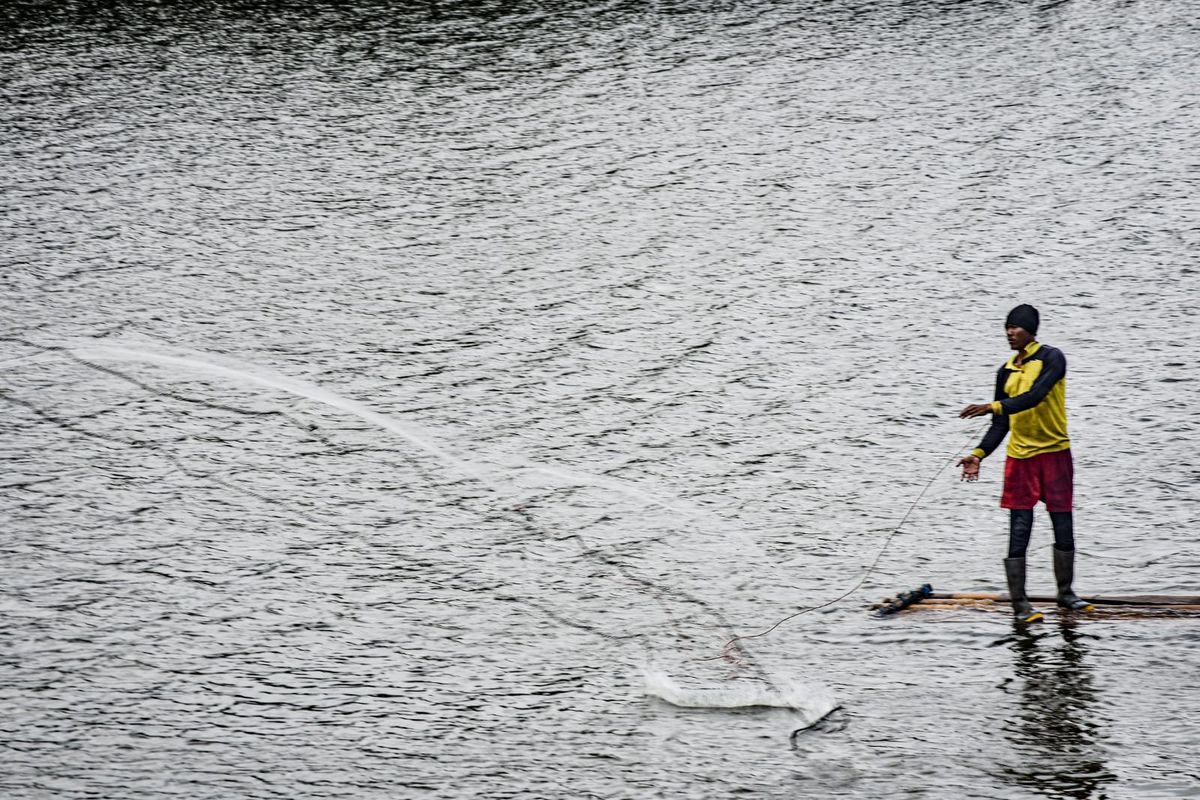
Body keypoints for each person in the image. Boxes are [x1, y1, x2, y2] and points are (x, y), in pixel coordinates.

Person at [957, 304, 1092, 622]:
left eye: (1015, 327)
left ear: (1030, 329)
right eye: (1006, 327)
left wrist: (991, 406)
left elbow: (1035, 395)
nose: (1009, 332)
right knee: (1020, 528)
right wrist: (978, 455)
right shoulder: (1005, 371)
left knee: (1063, 524)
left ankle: (1066, 594)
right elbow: (1003, 422)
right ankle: (1020, 605)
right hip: (1021, 459)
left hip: (1055, 452)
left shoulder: (1052, 358)